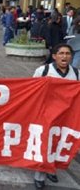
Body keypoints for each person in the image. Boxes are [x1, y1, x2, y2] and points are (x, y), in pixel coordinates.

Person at [32, 43, 79, 189]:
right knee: (45, 144)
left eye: (67, 53)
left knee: (59, 144)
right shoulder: (43, 70)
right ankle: (39, 175)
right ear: (54, 56)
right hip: (46, 115)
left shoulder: (77, 74)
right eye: (61, 53)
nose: (64, 56)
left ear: (71, 56)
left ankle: (51, 168)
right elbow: (32, 90)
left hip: (66, 117)